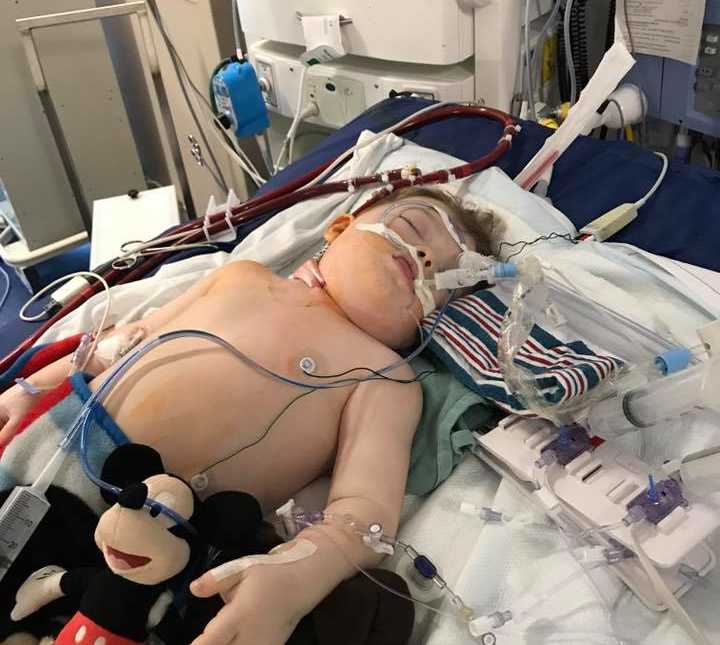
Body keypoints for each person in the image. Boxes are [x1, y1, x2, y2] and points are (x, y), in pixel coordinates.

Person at [0, 186, 496, 645]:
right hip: (48, 444)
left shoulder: (385, 377)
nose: (426, 258)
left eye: (444, 276)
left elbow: (365, 513)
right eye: (412, 228)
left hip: (159, 546)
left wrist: (300, 575)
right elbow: (121, 342)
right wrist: (31, 389)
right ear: (339, 229)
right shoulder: (240, 277)